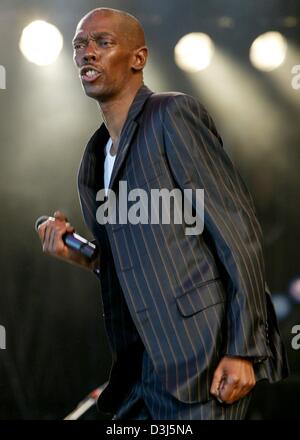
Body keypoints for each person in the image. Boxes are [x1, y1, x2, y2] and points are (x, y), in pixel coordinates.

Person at [37, 8, 288, 420]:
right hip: (138, 370)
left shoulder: (171, 114)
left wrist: (243, 349)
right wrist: (82, 255)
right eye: (80, 44)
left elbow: (236, 232)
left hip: (202, 362)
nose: (88, 53)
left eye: (103, 42)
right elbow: (135, 267)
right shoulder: (96, 155)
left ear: (138, 58)